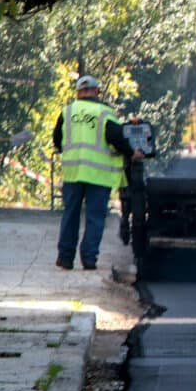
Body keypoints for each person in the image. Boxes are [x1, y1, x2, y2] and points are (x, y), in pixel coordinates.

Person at [53, 76, 141, 270]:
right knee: (95, 217)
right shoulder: (104, 113)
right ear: (97, 92)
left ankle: (65, 258)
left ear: (77, 93)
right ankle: (89, 259)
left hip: (72, 173)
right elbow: (116, 138)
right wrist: (132, 153)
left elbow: (57, 139)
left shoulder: (67, 112)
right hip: (98, 175)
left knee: (70, 215)